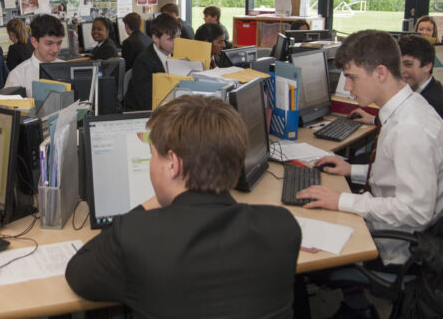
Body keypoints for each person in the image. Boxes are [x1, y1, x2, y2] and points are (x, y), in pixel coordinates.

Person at [66, 95, 301, 318]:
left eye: (153, 156)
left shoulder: (135, 236)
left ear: (173, 165)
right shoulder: (282, 227)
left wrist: (152, 202)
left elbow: (78, 272)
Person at [297, 30, 443, 315]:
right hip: (396, 227)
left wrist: (342, 201)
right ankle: (355, 305)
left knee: (297, 244)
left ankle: (357, 307)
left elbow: (416, 210)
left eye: (351, 77)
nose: (348, 88)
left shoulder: (409, 129)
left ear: (379, 72)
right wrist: (353, 169)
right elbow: (397, 174)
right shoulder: (406, 108)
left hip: (397, 244)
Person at [125, 14, 180, 111]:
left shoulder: (176, 55)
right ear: (155, 38)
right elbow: (148, 103)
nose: (176, 42)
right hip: (144, 116)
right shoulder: (143, 63)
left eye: (178, 37)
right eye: (170, 39)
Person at [5, 14, 65, 98]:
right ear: (34, 42)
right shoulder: (17, 76)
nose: (55, 49)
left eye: (59, 43)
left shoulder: (66, 69)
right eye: (49, 43)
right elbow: (9, 110)